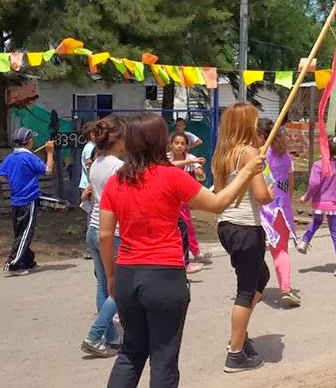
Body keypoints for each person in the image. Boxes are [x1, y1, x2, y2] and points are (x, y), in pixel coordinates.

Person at [100, 113, 266, 386]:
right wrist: (246, 172)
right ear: (159, 141)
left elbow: (106, 235)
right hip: (164, 275)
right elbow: (217, 203)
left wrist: (110, 275)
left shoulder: (116, 181)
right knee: (163, 356)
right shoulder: (171, 177)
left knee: (130, 352)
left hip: (127, 274)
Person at [212, 103, 275, 373]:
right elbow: (261, 196)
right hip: (245, 226)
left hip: (227, 225)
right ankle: (235, 353)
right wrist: (271, 191)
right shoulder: (249, 152)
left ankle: (240, 333)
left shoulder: (221, 153)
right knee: (247, 289)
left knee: (261, 277)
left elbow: (218, 188)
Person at [79, 117, 126, 358]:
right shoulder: (118, 167)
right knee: (119, 287)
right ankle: (95, 334)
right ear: (118, 139)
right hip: (112, 232)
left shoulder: (96, 163)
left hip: (93, 229)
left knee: (103, 286)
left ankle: (108, 336)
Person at [0, 128, 55, 275]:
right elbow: (47, 170)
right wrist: (50, 152)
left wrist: (15, 180)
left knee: (20, 231)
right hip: (29, 199)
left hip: (16, 200)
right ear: (28, 142)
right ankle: (13, 264)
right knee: (26, 232)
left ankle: (27, 261)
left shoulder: (10, 157)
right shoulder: (30, 157)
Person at [256, 118, 300, 308]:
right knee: (280, 250)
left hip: (260, 208)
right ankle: (286, 288)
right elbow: (290, 186)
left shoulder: (258, 156)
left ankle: (253, 289)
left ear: (261, 135)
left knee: (256, 251)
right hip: (282, 207)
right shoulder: (286, 157)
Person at [297, 137, 336, 279]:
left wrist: (306, 196)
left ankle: (304, 241)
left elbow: (314, 184)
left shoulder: (318, 165)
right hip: (334, 203)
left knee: (316, 221)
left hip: (320, 202)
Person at [169, 132, 210, 273]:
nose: (179, 146)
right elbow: (171, 165)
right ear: (171, 145)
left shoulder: (191, 158)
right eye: (177, 143)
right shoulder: (167, 158)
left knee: (186, 226)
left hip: (182, 200)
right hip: (168, 197)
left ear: (187, 146)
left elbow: (200, 173)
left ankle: (193, 253)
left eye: (182, 144)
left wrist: (199, 172)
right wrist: (191, 163)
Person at [79, 122, 96, 259]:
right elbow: (89, 167)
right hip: (90, 186)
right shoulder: (90, 148)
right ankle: (90, 249)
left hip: (89, 185)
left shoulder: (90, 147)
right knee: (92, 217)